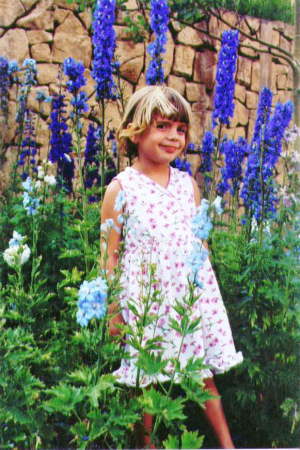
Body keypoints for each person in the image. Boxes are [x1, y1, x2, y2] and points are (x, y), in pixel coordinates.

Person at [101, 85, 243, 449]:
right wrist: (115, 310)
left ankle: (228, 445)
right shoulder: (121, 189)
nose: (174, 137)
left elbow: (199, 243)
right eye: (163, 126)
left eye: (180, 130)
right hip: (145, 298)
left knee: (202, 375)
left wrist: (205, 296)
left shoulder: (187, 185)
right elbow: (110, 256)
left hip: (187, 298)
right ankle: (145, 444)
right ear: (135, 130)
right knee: (146, 377)